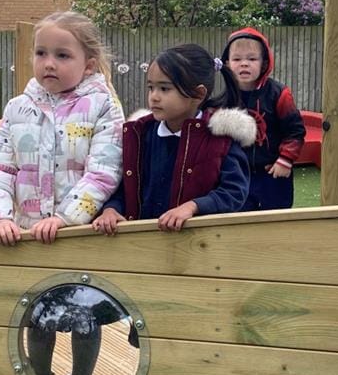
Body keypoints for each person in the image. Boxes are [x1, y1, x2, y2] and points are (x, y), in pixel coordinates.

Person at [0, 11, 124, 245]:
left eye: (62, 55)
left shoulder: (103, 106)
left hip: (83, 235)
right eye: (41, 53)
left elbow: (104, 171)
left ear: (88, 66)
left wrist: (64, 218)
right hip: (26, 234)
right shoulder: (18, 109)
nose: (49, 63)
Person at [92, 44, 255, 234]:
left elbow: (234, 192)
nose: (154, 97)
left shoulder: (220, 139)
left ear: (199, 94)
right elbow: (123, 185)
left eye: (164, 88)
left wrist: (193, 207)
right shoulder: (139, 135)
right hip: (143, 246)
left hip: (199, 248)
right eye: (151, 87)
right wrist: (111, 209)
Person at [220, 28, 305, 210]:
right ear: (227, 64)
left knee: (276, 219)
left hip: (273, 171)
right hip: (238, 173)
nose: (244, 64)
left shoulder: (280, 94)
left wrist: (286, 159)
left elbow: (295, 131)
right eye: (237, 59)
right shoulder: (224, 99)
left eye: (251, 59)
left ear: (264, 62)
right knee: (237, 219)